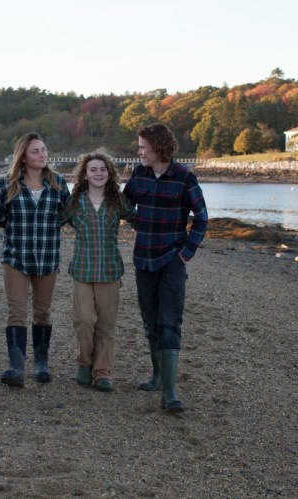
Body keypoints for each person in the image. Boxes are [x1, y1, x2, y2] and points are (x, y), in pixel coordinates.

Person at [123, 123, 208, 413]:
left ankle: (170, 394)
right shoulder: (138, 174)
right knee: (150, 322)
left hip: (172, 259)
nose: (139, 152)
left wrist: (185, 253)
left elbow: (202, 218)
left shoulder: (185, 178)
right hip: (142, 259)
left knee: (170, 321)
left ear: (158, 147)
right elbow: (123, 206)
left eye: (143, 146)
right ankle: (157, 376)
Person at [0, 132, 70, 387]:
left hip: (48, 259)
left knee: (42, 312)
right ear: (24, 157)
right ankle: (16, 367)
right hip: (16, 258)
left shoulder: (59, 184)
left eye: (43, 150)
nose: (42, 155)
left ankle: (41, 363)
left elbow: (72, 217)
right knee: (16, 313)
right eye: (35, 151)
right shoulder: (8, 183)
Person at [61, 150, 135, 392]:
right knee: (83, 320)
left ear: (109, 173)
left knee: (106, 324)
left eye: (103, 169)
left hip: (110, 269)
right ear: (84, 174)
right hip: (82, 268)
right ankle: (84, 363)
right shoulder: (74, 201)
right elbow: (53, 222)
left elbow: (137, 219)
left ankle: (103, 372)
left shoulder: (118, 200)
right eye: (93, 169)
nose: (98, 173)